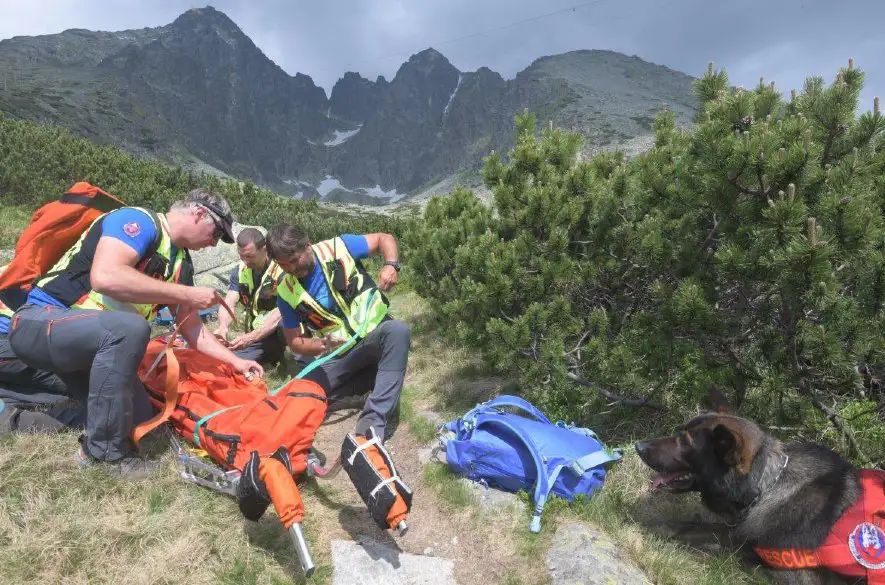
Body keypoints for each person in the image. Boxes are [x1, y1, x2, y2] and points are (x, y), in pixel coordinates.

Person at [7, 188, 264, 480]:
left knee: (141, 418)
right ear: (199, 213)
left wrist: (235, 362)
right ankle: (103, 454)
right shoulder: (139, 221)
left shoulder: (181, 264)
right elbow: (105, 277)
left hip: (88, 349)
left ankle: (17, 419)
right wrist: (187, 293)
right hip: (39, 322)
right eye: (216, 233)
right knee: (131, 328)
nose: (213, 243)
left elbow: (193, 329)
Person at [266, 223, 409, 443]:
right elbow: (294, 342)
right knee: (301, 390)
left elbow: (384, 238)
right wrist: (321, 344)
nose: (291, 270)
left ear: (307, 246)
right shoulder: (286, 292)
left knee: (398, 331)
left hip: (377, 334)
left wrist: (391, 265)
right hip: (341, 353)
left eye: (294, 261)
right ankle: (369, 385)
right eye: (283, 265)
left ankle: (369, 429)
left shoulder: (338, 247)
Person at [212, 227, 288, 368]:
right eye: (242, 256)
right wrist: (222, 327)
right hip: (258, 335)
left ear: (264, 249)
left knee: (285, 321)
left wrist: (251, 337)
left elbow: (281, 312)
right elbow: (229, 302)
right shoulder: (240, 271)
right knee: (228, 361)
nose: (245, 261)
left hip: (280, 330)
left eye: (250, 256)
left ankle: (292, 359)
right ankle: (270, 355)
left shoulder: (282, 272)